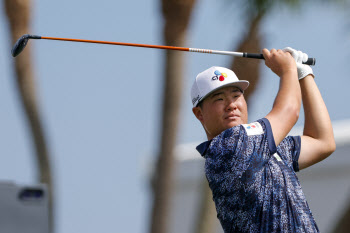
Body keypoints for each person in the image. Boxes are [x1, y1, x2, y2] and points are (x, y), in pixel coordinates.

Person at [191, 47, 336, 232]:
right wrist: (288, 70)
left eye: (236, 96)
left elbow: (322, 141)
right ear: (199, 113)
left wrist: (304, 74)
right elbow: (290, 111)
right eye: (219, 99)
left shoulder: (261, 147)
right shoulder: (228, 146)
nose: (231, 105)